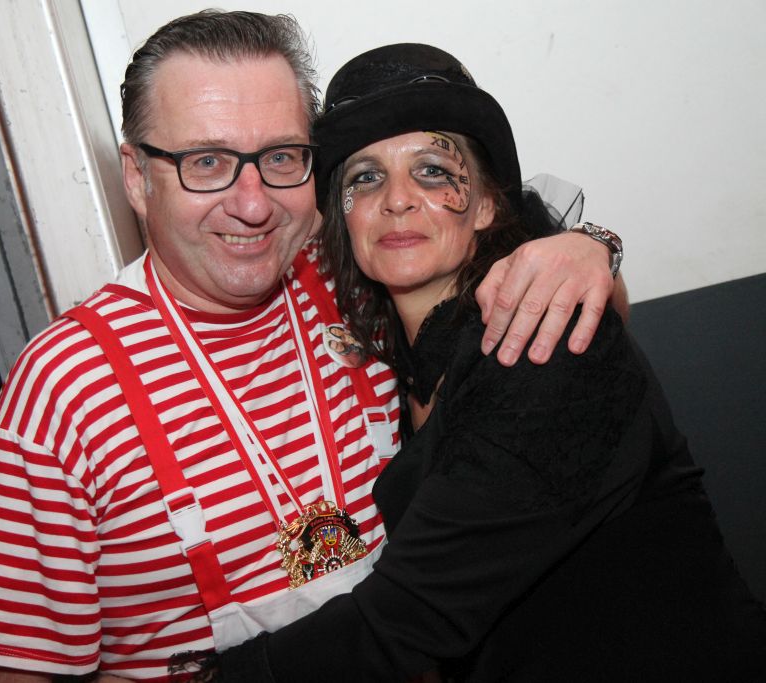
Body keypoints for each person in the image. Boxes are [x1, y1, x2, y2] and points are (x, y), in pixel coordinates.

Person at [0, 12, 623, 682]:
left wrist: (586, 251)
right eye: (207, 162)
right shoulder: (62, 392)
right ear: (136, 176)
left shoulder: (358, 281)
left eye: (279, 157)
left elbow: (533, 302)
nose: (253, 205)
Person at [208, 43, 766, 682]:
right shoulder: (389, 362)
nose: (396, 200)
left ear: (487, 205)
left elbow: (410, 619)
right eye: (365, 177)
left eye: (432, 172)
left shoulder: (544, 349)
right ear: (342, 216)